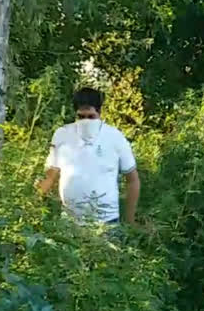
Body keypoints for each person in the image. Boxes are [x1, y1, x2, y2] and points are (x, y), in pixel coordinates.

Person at [36, 88, 141, 225]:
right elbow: (50, 176)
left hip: (106, 225)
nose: (86, 121)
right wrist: (35, 201)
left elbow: (132, 180)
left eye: (91, 117)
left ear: (99, 113)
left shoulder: (115, 137)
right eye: (81, 116)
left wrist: (130, 220)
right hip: (70, 224)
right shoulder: (62, 134)